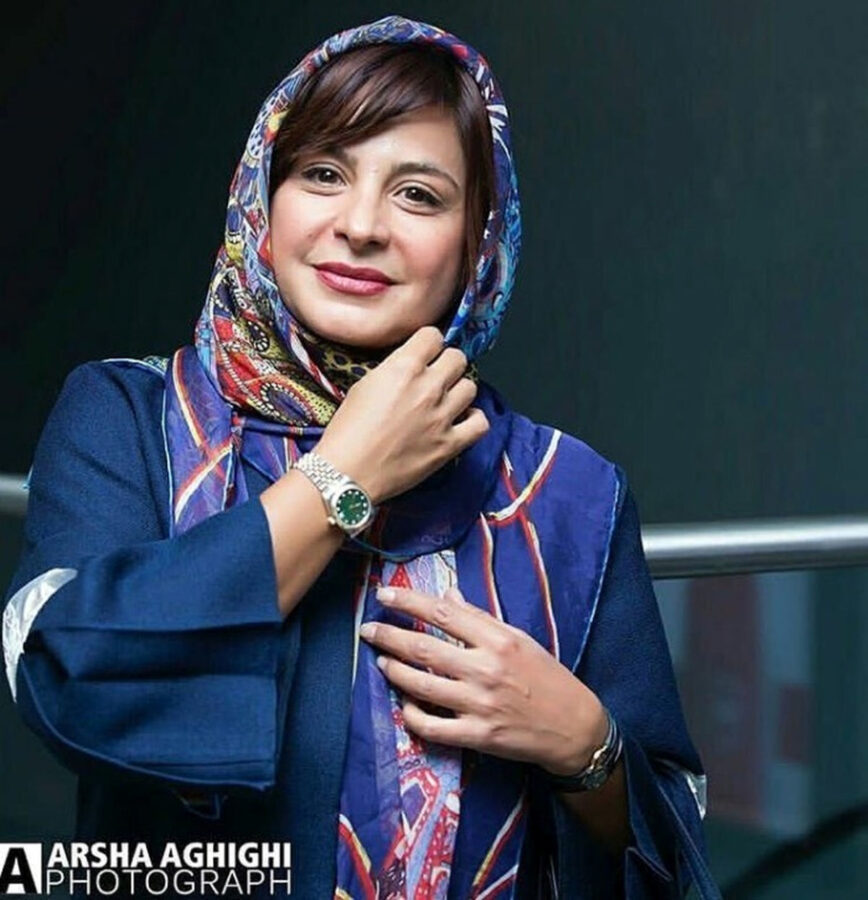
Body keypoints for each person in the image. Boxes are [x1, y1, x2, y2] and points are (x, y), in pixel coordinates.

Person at [2, 14, 718, 899]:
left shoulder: (565, 493)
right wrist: (343, 479)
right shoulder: (132, 418)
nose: (362, 225)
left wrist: (581, 741)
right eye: (323, 174)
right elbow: (67, 678)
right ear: (263, 202)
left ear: (478, 243)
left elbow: (675, 849)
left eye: (418, 194)